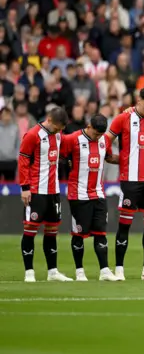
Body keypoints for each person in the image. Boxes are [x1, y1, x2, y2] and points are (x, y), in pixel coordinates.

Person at [106, 87, 144, 281]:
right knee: (125, 225)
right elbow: (107, 139)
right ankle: (119, 270)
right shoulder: (122, 118)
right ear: (138, 100)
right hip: (129, 180)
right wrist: (110, 157)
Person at [61, 114, 119, 281]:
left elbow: (108, 157)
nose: (98, 137)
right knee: (78, 234)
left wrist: (126, 159)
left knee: (101, 233)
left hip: (99, 193)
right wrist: (67, 164)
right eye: (95, 133)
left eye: (101, 134)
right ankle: (80, 272)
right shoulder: (72, 139)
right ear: (89, 126)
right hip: (78, 194)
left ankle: (105, 271)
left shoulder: (104, 140)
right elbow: (60, 155)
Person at [18, 107, 71, 282]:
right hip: (35, 191)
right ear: (49, 119)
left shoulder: (58, 135)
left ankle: (52, 272)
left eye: (61, 129)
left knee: (51, 231)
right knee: (30, 230)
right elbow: (23, 161)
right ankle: (29, 272)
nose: (59, 131)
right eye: (57, 127)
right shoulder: (32, 135)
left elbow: (64, 150)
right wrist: (25, 188)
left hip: (53, 191)